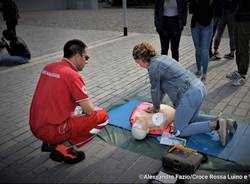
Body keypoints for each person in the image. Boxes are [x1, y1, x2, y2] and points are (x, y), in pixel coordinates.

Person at [132, 42, 236, 146]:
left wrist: (155, 107)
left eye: (138, 62)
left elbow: (155, 90)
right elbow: (161, 89)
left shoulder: (153, 68)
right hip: (199, 87)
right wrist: (157, 106)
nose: (139, 65)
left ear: (142, 59)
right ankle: (225, 122)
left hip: (189, 95)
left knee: (180, 131)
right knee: (192, 119)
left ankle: (216, 125)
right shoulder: (162, 58)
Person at [29, 39, 109, 164]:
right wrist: (89, 106)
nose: (86, 62)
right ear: (77, 56)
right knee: (102, 116)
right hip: (51, 130)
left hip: (35, 125)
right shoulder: (73, 75)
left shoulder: (48, 67)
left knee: (75, 110)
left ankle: (51, 143)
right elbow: (89, 110)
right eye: (86, 57)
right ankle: (63, 148)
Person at [189, 0, 215, 82]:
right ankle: (199, 70)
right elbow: (191, 10)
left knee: (204, 50)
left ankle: (204, 73)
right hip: (195, 25)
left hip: (207, 25)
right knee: (198, 50)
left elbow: (214, 10)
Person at [226, 0, 250, 86]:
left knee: (243, 47)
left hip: (245, 20)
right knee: (238, 47)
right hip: (238, 18)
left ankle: (242, 75)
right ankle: (239, 71)